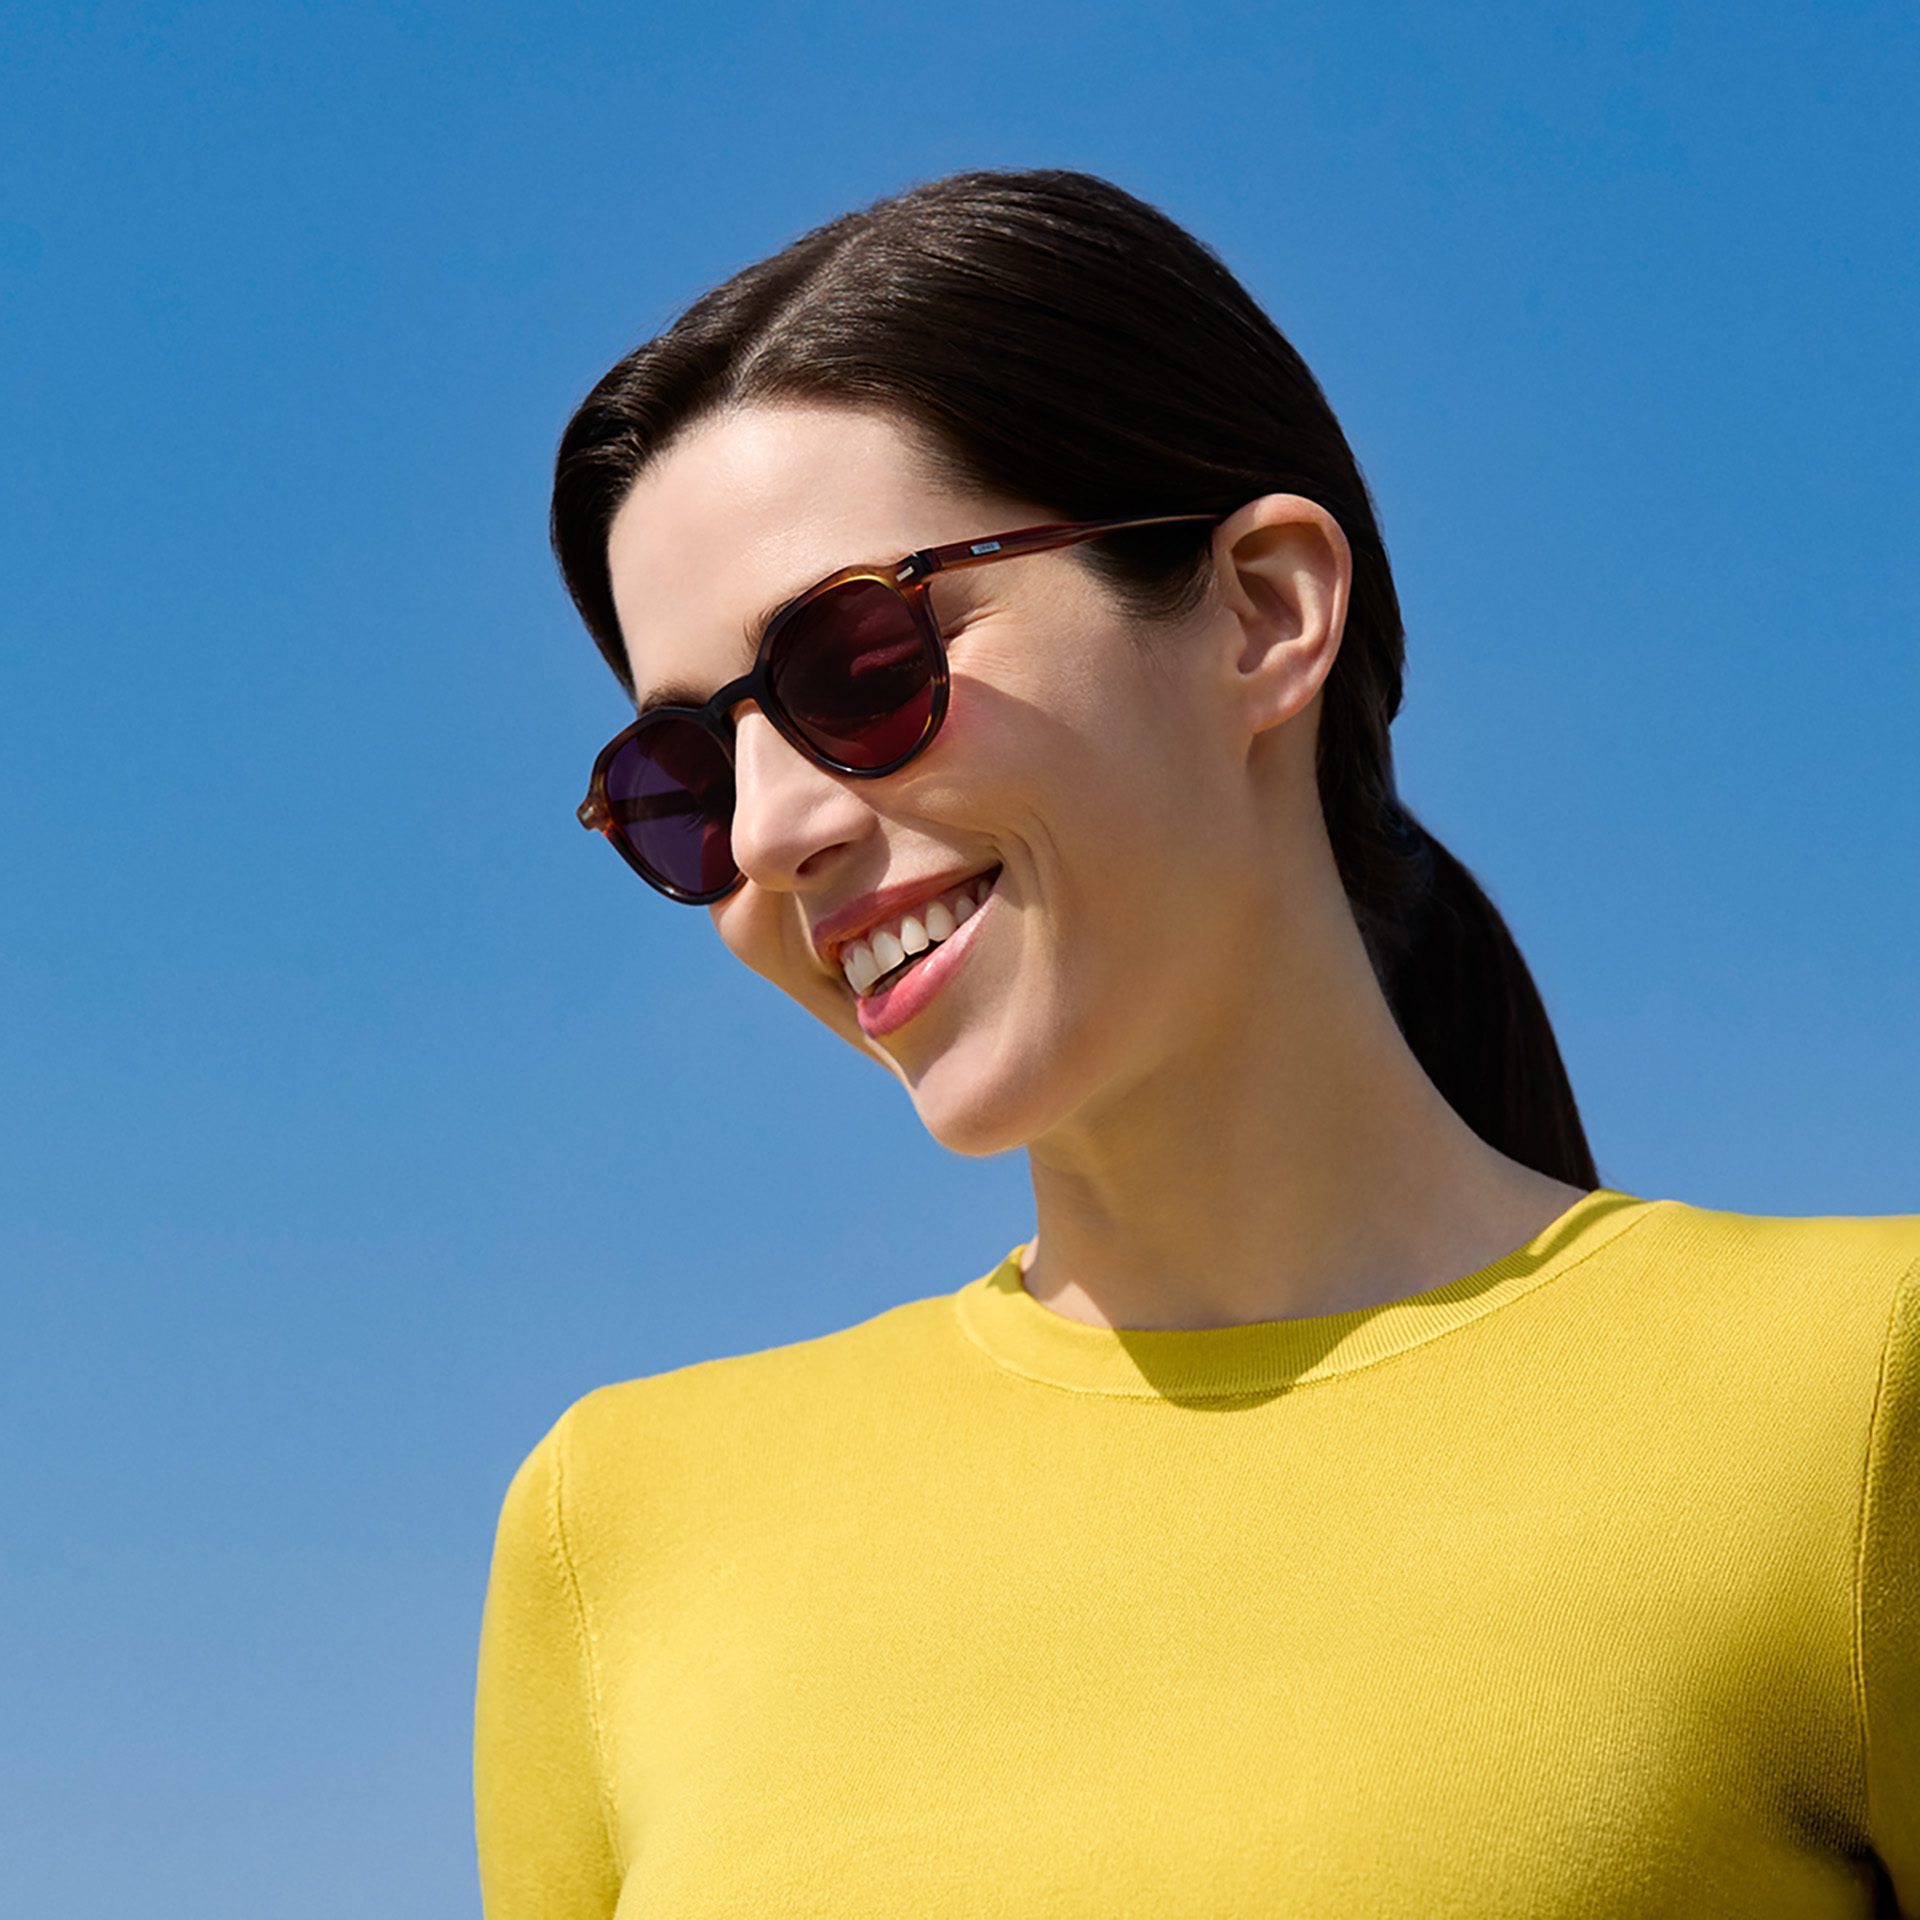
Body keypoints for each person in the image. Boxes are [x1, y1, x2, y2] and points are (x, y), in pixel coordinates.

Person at [476, 170, 1919, 1916]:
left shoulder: (1857, 1395)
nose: (774, 831)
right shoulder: (616, 1531)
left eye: (857, 663)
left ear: (1265, 610)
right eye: (684, 784)